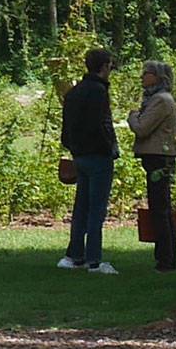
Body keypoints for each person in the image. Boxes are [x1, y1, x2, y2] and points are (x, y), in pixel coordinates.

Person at [57, 48, 119, 274]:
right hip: (98, 156)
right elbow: (102, 124)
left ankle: (75, 255)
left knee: (81, 208)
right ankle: (94, 260)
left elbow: (66, 129)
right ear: (104, 66)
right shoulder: (98, 92)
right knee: (96, 210)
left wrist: (74, 147)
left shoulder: (73, 92)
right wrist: (110, 147)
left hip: (79, 156)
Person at [128, 60, 176, 272]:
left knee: (160, 210)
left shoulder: (160, 101)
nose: (142, 76)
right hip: (157, 156)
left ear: (159, 77)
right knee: (161, 208)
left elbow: (142, 128)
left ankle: (166, 259)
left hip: (159, 158)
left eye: (147, 73)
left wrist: (133, 116)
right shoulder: (157, 99)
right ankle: (166, 257)